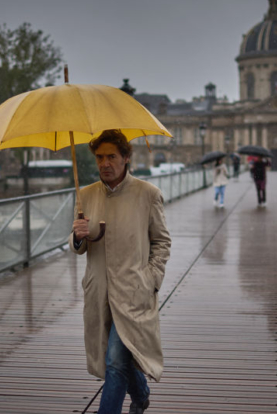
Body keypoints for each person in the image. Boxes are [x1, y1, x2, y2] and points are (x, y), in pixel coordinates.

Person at [70, 130, 172, 414]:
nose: (105, 163)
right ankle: (141, 394)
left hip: (133, 291)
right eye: (100, 157)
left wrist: (151, 278)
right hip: (99, 292)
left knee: (115, 361)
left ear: (126, 158)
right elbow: (78, 247)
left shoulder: (148, 194)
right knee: (113, 356)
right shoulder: (85, 194)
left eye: (111, 156)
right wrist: (77, 236)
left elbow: (162, 242)